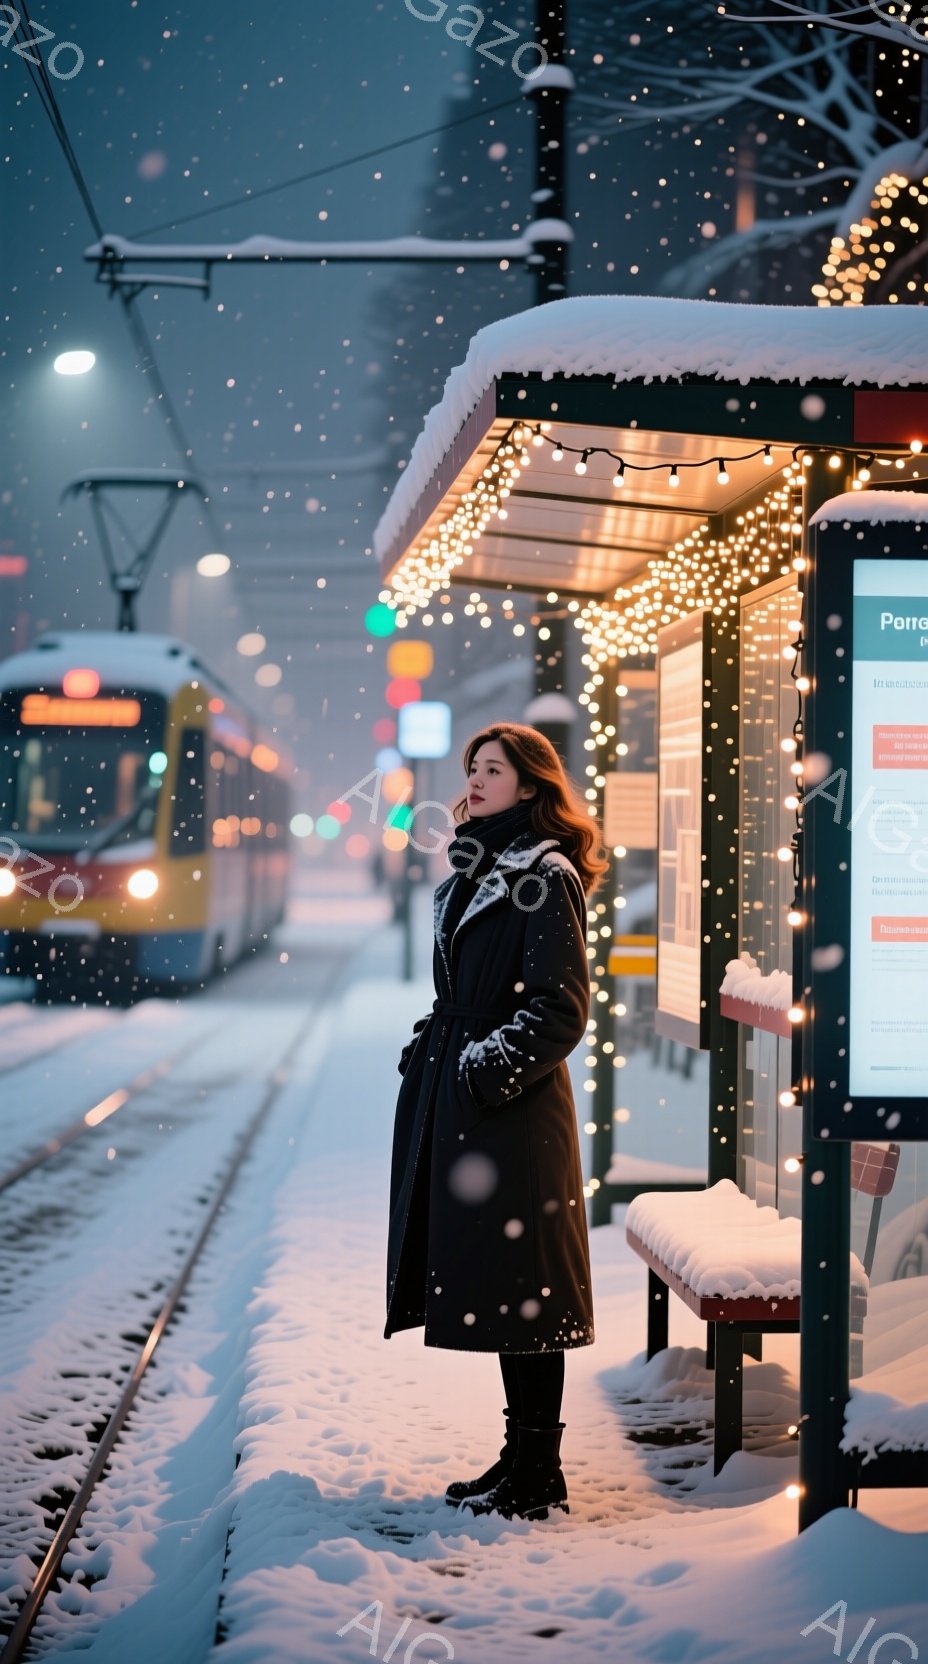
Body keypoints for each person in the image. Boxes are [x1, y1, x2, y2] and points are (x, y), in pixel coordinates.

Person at [384, 722, 609, 1522]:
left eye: (493, 769)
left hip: (513, 1116)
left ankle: (539, 1472)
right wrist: (437, 1045)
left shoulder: (542, 875)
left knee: (527, 1296)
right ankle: (520, 1455)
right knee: (505, 1291)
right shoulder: (482, 865)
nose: (475, 781)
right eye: (472, 768)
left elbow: (562, 1009)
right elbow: (472, 987)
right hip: (475, 1107)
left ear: (531, 785)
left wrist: (481, 1068)